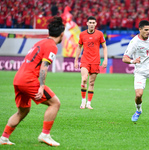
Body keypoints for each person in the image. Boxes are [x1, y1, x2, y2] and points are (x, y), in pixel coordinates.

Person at [0, 16, 65, 146]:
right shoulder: (52, 46)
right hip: (29, 80)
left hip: (18, 78)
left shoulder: (39, 43)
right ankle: (45, 135)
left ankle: (4, 138)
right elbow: (44, 67)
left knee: (23, 110)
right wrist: (41, 86)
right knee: (55, 103)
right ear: (62, 34)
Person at [74, 16, 107, 109]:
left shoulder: (100, 34)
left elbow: (104, 46)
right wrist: (76, 60)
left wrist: (105, 59)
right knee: (84, 79)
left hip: (95, 61)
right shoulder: (82, 34)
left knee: (91, 83)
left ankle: (89, 103)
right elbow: (79, 47)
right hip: (85, 60)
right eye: (90, 23)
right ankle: (83, 101)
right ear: (87, 23)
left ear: (95, 24)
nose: (92, 24)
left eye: (93, 23)